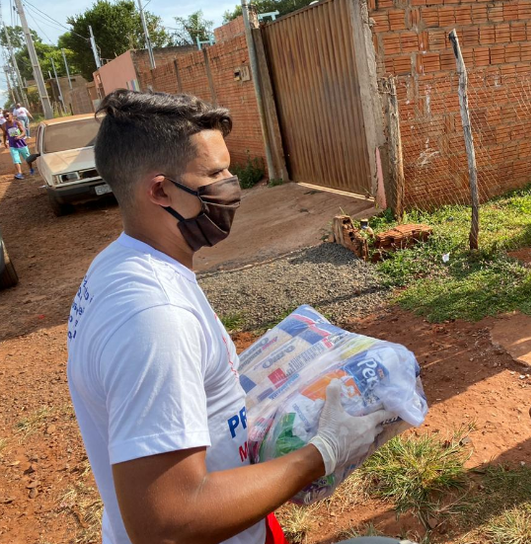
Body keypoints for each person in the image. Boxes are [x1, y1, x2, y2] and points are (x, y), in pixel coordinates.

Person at [66, 89, 394, 544]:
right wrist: (323, 452)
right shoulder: (155, 316)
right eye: (214, 173)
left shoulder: (120, 264)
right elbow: (166, 524)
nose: (231, 185)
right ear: (160, 190)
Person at [2, 110, 34, 180]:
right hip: (12, 145)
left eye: (7, 116)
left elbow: (23, 132)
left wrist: (19, 136)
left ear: (11, 115)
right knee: (16, 160)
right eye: (5, 117)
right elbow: (4, 134)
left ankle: (31, 169)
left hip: (21, 144)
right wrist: (4, 142)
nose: (6, 118)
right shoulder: (4, 125)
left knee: (28, 159)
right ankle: (19, 173)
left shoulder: (17, 123)